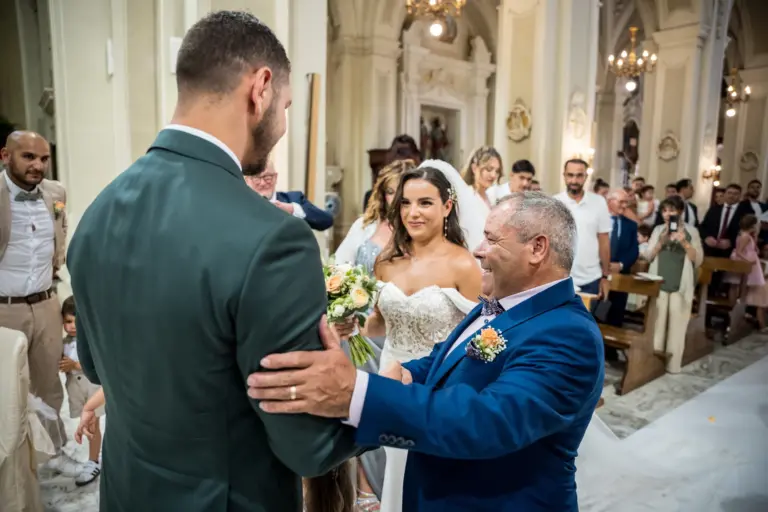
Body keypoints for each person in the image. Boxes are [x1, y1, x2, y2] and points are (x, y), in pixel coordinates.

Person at [66, 11, 361, 510]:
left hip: (127, 493)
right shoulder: (275, 240)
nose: (284, 124)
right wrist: (372, 399)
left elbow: (96, 366)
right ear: (260, 88)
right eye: (287, 105)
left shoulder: (97, 212)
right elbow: (308, 447)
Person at [247, 192, 606, 511]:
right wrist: (405, 373)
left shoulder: (568, 335)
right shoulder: (499, 303)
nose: (478, 249)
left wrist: (357, 396)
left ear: (538, 248)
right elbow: (444, 361)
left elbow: (487, 422)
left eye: (492, 239)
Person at [357, 162, 482, 511]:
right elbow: (381, 324)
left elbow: (483, 337)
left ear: (447, 206)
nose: (413, 213)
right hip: (391, 374)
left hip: (438, 387)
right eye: (406, 203)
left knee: (431, 482)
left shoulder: (464, 266)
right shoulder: (386, 261)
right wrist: (350, 327)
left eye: (425, 203)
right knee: (394, 472)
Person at [332, 158, 416, 508]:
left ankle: (394, 485)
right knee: (359, 407)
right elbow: (339, 265)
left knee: (390, 406)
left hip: (398, 329)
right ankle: (365, 486)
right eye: (391, 190)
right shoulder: (365, 226)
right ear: (382, 193)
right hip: (362, 329)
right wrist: (345, 297)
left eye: (404, 192)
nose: (396, 198)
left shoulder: (416, 229)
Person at [0, 130, 79, 476]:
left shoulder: (55, 193)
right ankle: (12, 467)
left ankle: (55, 454)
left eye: (43, 158)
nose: (37, 165)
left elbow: (59, 234)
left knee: (49, 384)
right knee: (7, 390)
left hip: (46, 302)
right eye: (28, 157)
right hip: (4, 307)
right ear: (5, 156)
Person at [642, 195, 703, 373]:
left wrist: (684, 241)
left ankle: (672, 365)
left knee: (677, 324)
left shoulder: (692, 231)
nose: (668, 214)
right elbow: (648, 256)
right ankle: (654, 363)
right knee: (657, 323)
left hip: (680, 283)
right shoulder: (658, 230)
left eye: (672, 210)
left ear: (681, 212)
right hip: (659, 281)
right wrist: (661, 242)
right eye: (665, 210)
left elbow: (697, 260)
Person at [59, 296, 103, 486]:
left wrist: (74, 365)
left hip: (92, 388)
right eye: (68, 322)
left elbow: (97, 366)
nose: (72, 326)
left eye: (77, 322)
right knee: (83, 426)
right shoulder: (63, 343)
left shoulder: (92, 341)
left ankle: (93, 461)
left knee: (93, 425)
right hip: (75, 389)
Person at [554, 159, 612, 299]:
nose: (574, 180)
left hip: (591, 278)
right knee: (561, 321)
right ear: (564, 176)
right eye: (570, 175)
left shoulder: (598, 202)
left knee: (586, 320)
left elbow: (604, 241)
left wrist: (605, 275)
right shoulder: (555, 202)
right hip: (561, 277)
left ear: (586, 177)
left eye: (579, 175)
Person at [244, 158, 334, 231]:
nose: (263, 183)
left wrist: (293, 209)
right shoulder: (241, 205)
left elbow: (326, 221)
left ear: (275, 177)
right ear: (247, 181)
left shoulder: (294, 199)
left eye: (267, 177)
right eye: (256, 178)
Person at [725, 215, 768, 330]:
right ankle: (735, 309)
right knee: (737, 285)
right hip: (744, 261)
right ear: (753, 225)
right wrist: (748, 261)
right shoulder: (745, 236)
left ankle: (740, 308)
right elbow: (739, 251)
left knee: (744, 285)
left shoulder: (747, 236)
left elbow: (755, 250)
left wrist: (755, 237)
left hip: (747, 259)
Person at [460, 146, 502, 210]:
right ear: (474, 168)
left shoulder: (492, 199)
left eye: (497, 171)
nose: (493, 175)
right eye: (489, 169)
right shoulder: (464, 197)